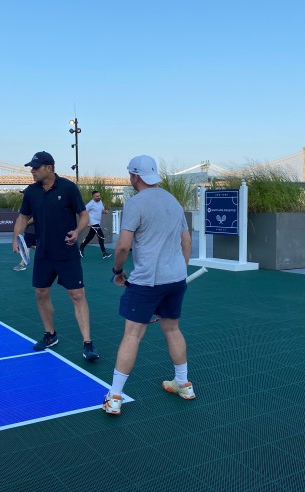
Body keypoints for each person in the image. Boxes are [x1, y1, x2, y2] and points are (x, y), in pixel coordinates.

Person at [103, 155, 193, 415]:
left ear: (135, 177)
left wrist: (118, 271)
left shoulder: (135, 203)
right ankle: (183, 383)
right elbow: (186, 242)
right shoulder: (173, 201)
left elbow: (122, 246)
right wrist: (179, 271)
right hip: (175, 279)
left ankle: (115, 397)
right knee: (173, 330)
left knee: (132, 335)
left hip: (146, 282)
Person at [13, 151, 99, 361]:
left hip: (67, 252)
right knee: (41, 293)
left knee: (77, 295)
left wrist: (77, 232)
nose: (31, 171)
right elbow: (23, 217)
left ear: (49, 168)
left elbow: (84, 214)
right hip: (43, 252)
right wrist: (16, 238)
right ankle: (50, 335)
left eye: (35, 167)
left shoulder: (68, 188)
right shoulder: (31, 192)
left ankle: (88, 343)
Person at [79, 190, 112, 260]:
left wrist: (105, 211)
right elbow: (83, 212)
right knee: (101, 236)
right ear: (93, 197)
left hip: (98, 222)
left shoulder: (100, 202)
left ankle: (81, 247)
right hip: (93, 222)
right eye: (97, 196)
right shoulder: (90, 204)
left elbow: (102, 210)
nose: (99, 197)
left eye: (99, 196)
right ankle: (104, 253)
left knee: (90, 237)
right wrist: (88, 222)